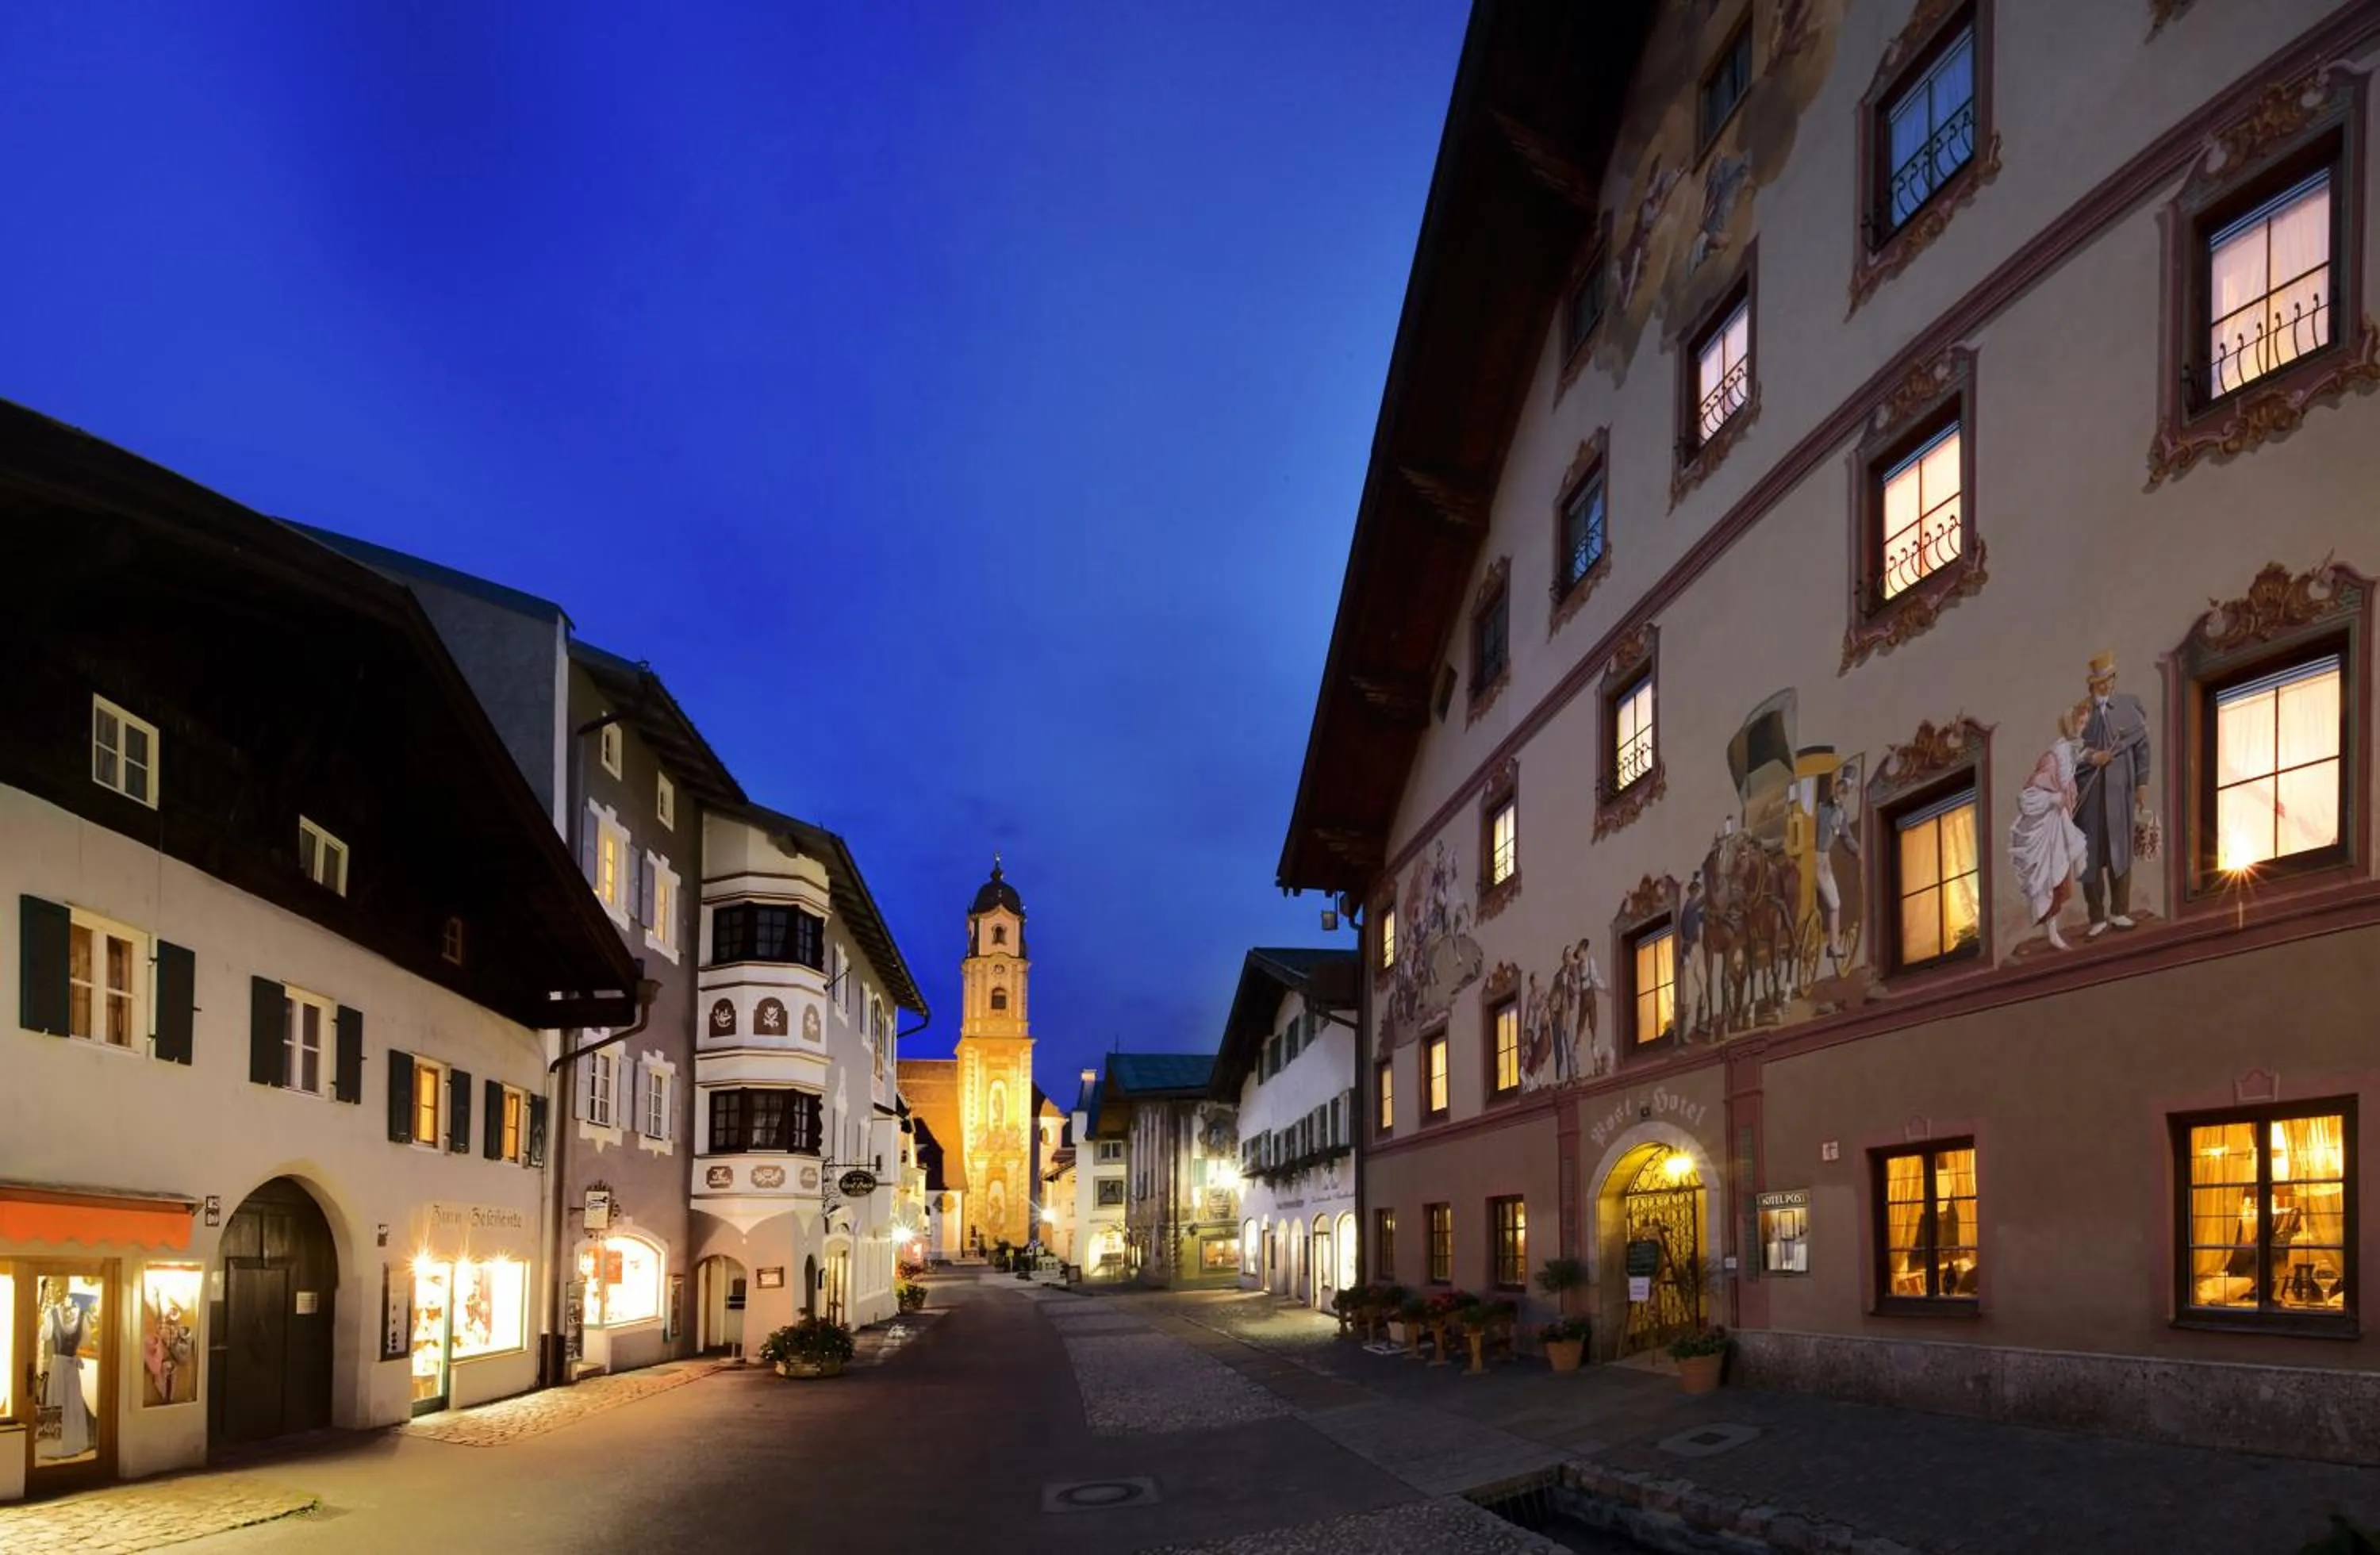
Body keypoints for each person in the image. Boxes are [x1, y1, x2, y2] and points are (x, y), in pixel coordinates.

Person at [2075, 651, 2152, 936]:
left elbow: (2142, 748)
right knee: (2090, 858)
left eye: (2108, 679)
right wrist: (2092, 757)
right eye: (2099, 681)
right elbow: (2069, 752)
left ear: (2114, 679)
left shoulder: (2130, 707)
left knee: (2121, 852)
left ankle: (2120, 911)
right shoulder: (2080, 714)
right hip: (2090, 798)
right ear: (2091, 684)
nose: (2105, 685)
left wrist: (2142, 784)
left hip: (2120, 794)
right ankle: (2096, 917)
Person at [2011, 702, 2093, 950]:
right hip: (2046, 829)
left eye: (2085, 723)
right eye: (2080, 723)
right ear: (2070, 722)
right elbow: (2027, 797)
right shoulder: (2053, 757)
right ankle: (2053, 933)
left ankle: (2056, 931)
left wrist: (2089, 757)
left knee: (2061, 875)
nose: (2082, 727)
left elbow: (2074, 763)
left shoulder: (2067, 752)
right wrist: (2053, 798)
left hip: (2060, 825)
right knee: (2050, 880)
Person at [1811, 775, 1858, 966]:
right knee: (1835, 903)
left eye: (1845, 791)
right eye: (1842, 790)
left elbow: (1846, 836)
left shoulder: (1840, 812)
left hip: (1822, 859)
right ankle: (1834, 945)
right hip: (1818, 859)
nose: (1843, 794)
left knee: (1833, 902)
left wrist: (1857, 850)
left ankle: (1832, 942)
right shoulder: (1825, 810)